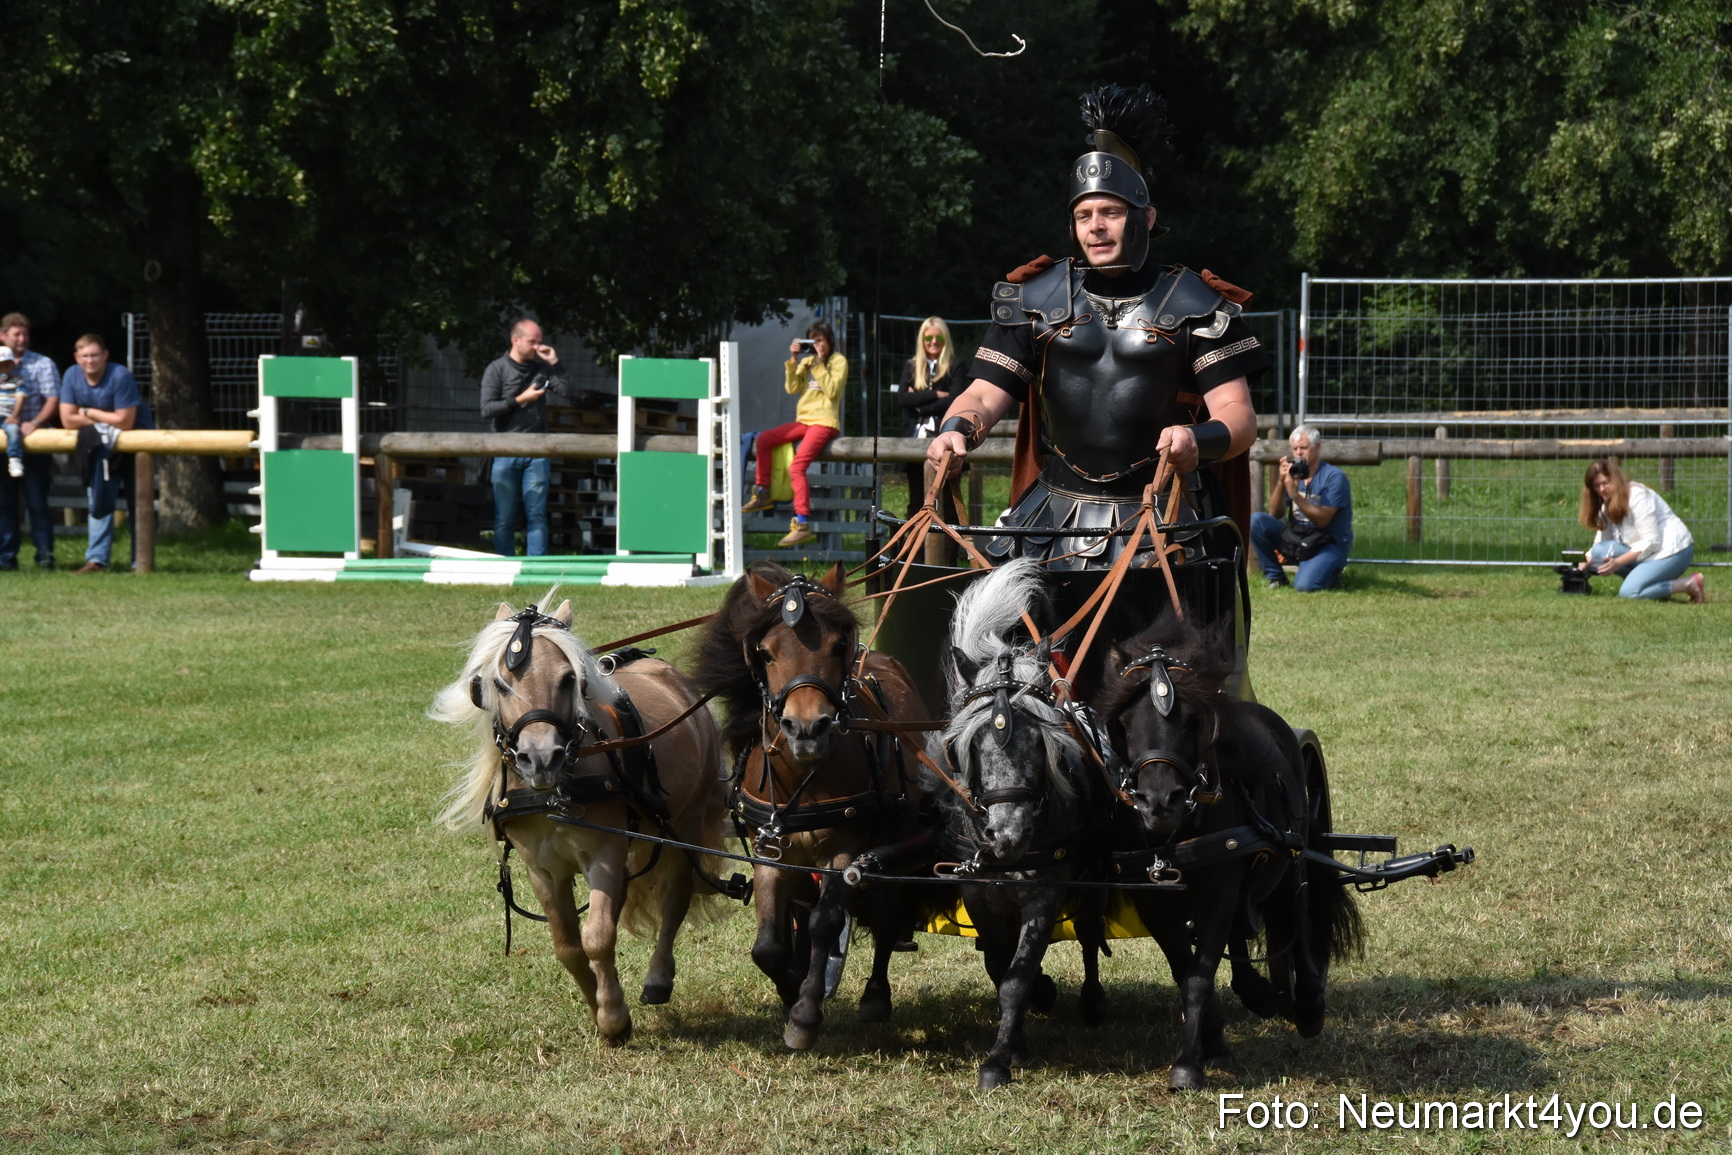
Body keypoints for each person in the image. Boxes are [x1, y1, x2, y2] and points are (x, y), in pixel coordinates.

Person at [926, 83, 1265, 571]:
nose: (1096, 226)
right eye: (1083, 215)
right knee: (993, 637)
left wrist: (1198, 441)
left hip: (1164, 520)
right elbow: (983, 394)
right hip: (1048, 516)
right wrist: (956, 430)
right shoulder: (1038, 299)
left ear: (1146, 218)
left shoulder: (1197, 304)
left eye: (1110, 211)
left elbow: (1238, 416)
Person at [742, 320, 846, 548]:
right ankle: (762, 493)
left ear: (830, 341)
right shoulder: (807, 361)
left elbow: (832, 391)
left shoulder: (838, 361)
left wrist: (819, 364)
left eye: (820, 341)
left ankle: (802, 524)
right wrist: (793, 360)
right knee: (764, 439)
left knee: (797, 466)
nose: (816, 345)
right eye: (812, 340)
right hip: (804, 421)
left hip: (825, 421)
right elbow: (792, 388)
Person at [59, 334, 152, 574]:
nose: (90, 361)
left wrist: (89, 412)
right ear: (77, 358)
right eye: (85, 356)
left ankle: (139, 561)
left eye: (95, 355)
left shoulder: (120, 375)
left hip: (136, 443)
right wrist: (106, 418)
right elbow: (67, 420)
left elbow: (125, 420)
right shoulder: (71, 375)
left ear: (105, 355)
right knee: (98, 498)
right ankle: (97, 560)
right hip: (98, 444)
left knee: (138, 501)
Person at [480, 319, 566, 557]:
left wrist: (555, 363)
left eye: (540, 342)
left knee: (537, 515)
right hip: (505, 452)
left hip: (537, 454)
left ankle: (536, 568)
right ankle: (505, 567)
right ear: (515, 340)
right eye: (532, 342)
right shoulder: (496, 369)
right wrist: (521, 399)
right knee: (504, 517)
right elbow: (487, 409)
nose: (538, 347)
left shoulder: (543, 369)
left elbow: (570, 392)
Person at [1576, 457, 1703, 602]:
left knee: (1629, 593)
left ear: (1616, 480)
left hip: (1672, 551)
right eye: (1596, 485)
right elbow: (1601, 543)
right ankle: (1647, 585)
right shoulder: (1606, 504)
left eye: (1605, 483)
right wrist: (1584, 562)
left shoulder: (1638, 495)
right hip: (1647, 554)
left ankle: (1689, 584)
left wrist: (1617, 563)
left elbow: (1652, 542)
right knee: (1599, 551)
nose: (1601, 489)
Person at [1250, 424, 1353, 592]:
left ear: (1317, 447)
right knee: (1257, 521)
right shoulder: (1293, 475)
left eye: (1303, 448)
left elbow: (1322, 520)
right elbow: (1275, 513)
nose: (1298, 452)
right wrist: (1281, 482)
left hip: (1327, 542)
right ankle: (1275, 577)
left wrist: (1295, 494)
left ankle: (1331, 574)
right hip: (1298, 537)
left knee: (1304, 586)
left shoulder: (1334, 477)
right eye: (1295, 448)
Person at [0, 312, 60, 569]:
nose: (22, 339)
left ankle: (44, 556)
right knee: (4, 505)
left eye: (25, 334)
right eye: (16, 335)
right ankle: (5, 558)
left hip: (35, 441)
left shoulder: (42, 364)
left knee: (37, 503)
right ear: (3, 336)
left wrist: (34, 421)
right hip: (2, 443)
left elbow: (52, 399)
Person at [896, 317, 964, 520]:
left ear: (945, 338)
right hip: (914, 442)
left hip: (945, 438)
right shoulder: (911, 366)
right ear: (922, 339)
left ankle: (952, 551)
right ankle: (914, 552)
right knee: (916, 500)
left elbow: (957, 399)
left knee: (949, 502)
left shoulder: (956, 365)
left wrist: (918, 403)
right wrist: (936, 394)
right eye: (928, 337)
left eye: (938, 336)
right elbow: (902, 398)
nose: (933, 341)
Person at [0, 346, 23, 478]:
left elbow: (20, 399)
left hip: (8, 417)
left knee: (14, 430)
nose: (3, 370)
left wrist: (15, 416)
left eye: (6, 366)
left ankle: (15, 459)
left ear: (12, 366)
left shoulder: (17, 382)